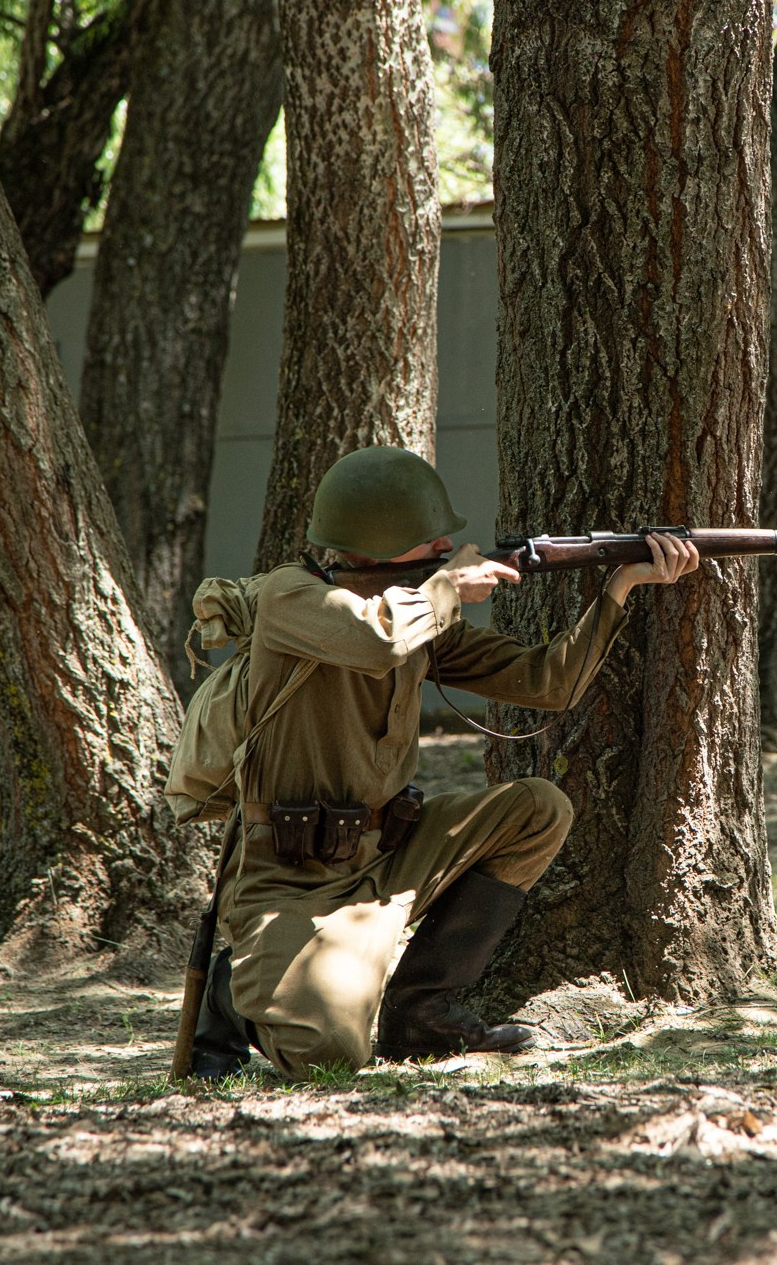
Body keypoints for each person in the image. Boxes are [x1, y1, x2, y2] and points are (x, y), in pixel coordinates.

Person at [171, 446, 698, 1079]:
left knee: (536, 809)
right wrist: (449, 588)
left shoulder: (417, 615)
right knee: (327, 1054)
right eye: (429, 537)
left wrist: (622, 585)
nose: (447, 543)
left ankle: (422, 1012)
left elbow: (546, 685)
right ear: (373, 546)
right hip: (292, 878)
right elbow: (374, 639)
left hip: (393, 855)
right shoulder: (291, 599)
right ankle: (235, 994)